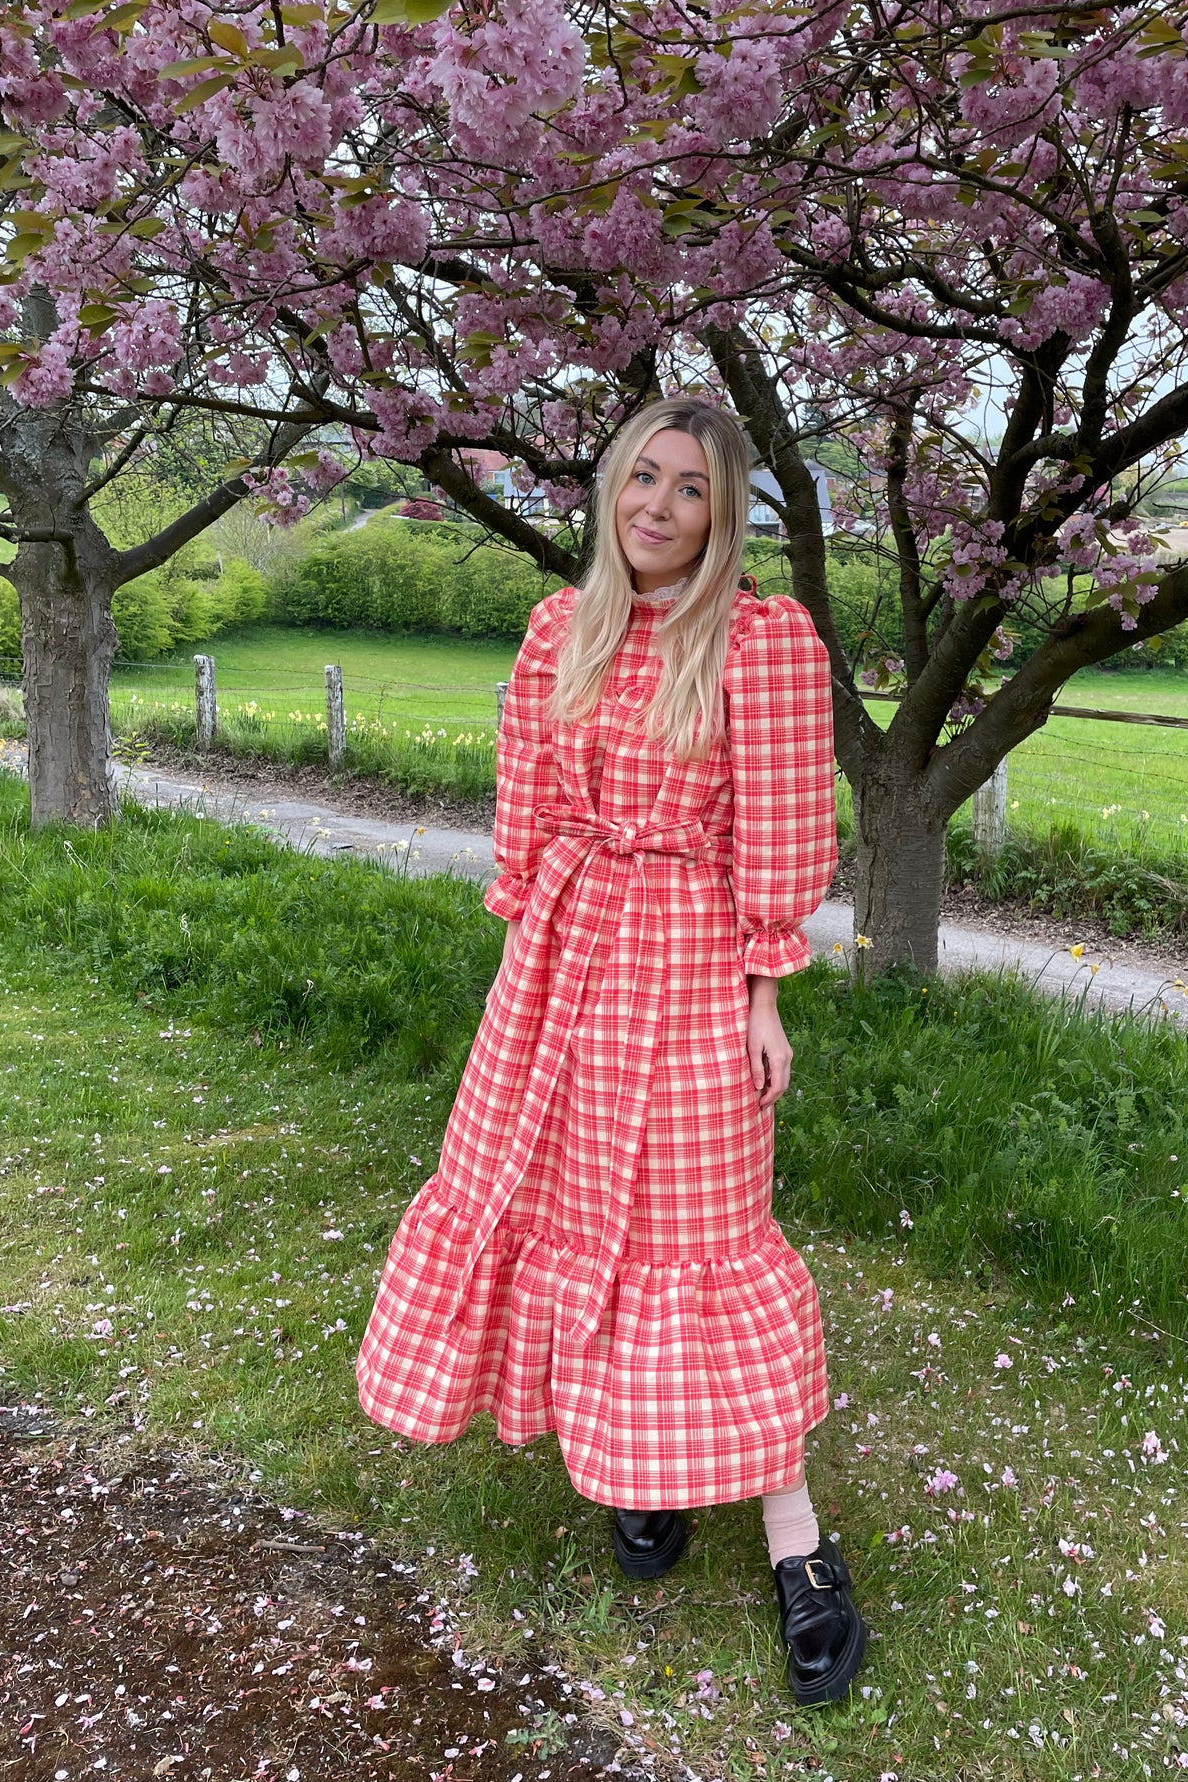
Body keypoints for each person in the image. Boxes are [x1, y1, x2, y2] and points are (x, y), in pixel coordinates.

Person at [356, 396, 865, 1705]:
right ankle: (638, 1467)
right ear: (609, 490)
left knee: (697, 1239)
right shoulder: (556, 629)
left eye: (688, 489)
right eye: (641, 478)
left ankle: (796, 1545)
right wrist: (526, 969)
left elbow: (788, 832)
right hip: (563, 965)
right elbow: (522, 812)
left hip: (695, 965)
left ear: (721, 511)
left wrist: (765, 993)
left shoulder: (762, 643)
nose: (656, 506)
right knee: (570, 1213)